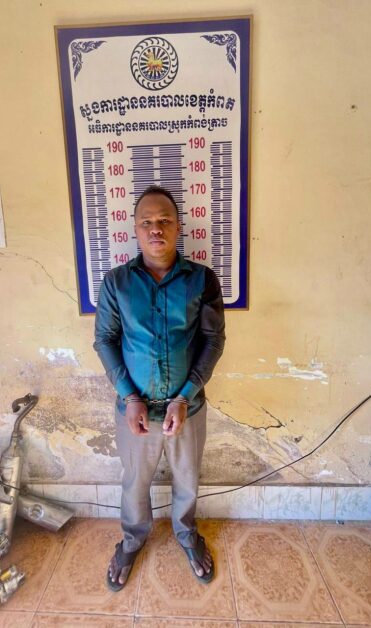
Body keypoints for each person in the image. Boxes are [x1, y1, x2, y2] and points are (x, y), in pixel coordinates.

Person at [94, 185, 225, 591]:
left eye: (165, 220)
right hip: (134, 410)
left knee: (187, 478)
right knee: (135, 481)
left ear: (178, 227)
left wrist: (184, 396)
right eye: (147, 222)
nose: (156, 229)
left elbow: (213, 341)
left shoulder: (202, 280)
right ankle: (133, 539)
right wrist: (130, 396)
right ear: (134, 229)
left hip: (188, 406)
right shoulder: (116, 283)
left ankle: (186, 533)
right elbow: (105, 340)